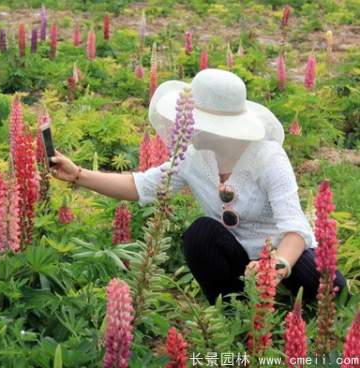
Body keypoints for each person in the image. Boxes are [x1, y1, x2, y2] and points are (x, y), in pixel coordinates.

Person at [50, 68, 345, 304]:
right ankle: (232, 310)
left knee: (333, 290)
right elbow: (142, 185)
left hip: (283, 252)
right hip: (235, 254)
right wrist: (78, 174)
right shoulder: (194, 157)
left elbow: (295, 229)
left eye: (195, 120)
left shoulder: (267, 157)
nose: (187, 125)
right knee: (199, 234)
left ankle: (286, 304)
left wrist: (276, 266)